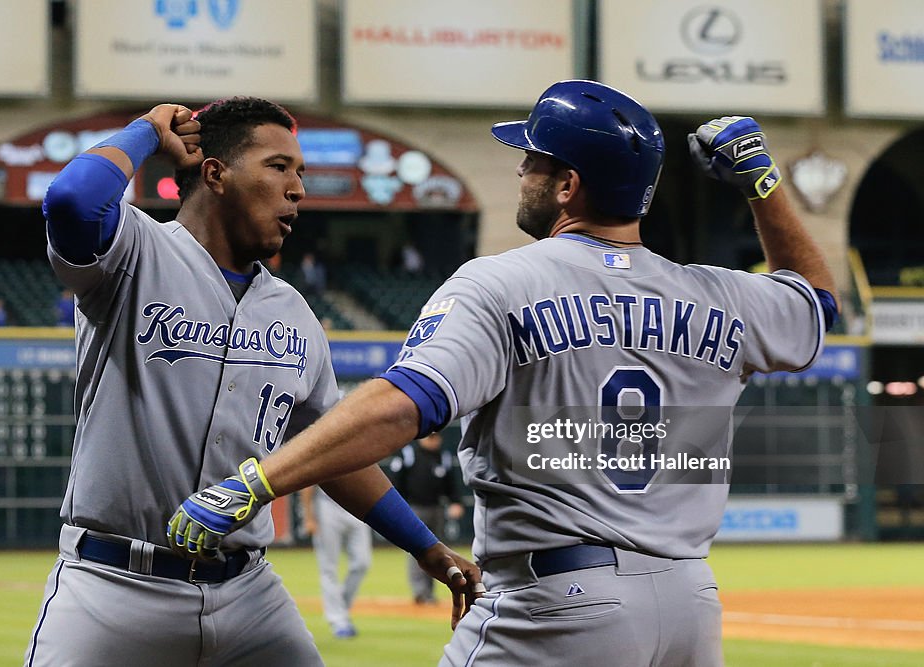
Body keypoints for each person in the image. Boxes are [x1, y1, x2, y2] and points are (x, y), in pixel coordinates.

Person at [167, 80, 840, 667]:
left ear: (568, 185)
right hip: (691, 606)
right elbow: (817, 301)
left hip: (559, 604)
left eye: (533, 161)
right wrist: (761, 181)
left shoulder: (501, 282)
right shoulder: (717, 294)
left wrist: (259, 479)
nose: (521, 170)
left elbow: (405, 403)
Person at [25, 98, 480, 667]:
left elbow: (334, 452)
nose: (298, 189)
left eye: (301, 173)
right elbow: (71, 199)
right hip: (116, 586)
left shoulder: (294, 314)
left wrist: (428, 548)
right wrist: (147, 132)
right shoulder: (135, 252)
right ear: (214, 173)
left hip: (246, 593)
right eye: (278, 166)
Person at [389, 432, 465, 604]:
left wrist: (456, 502)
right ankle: (419, 591)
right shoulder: (409, 454)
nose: (433, 441)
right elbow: (395, 482)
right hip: (414, 509)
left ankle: (429, 592)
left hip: (437, 508)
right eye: (429, 437)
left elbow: (451, 483)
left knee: (436, 551)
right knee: (417, 550)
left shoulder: (443, 456)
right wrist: (400, 508)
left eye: (436, 437)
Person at [299, 485, 372, 638]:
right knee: (328, 567)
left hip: (356, 505)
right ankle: (338, 621)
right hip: (327, 506)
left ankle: (341, 609)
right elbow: (308, 484)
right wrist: (309, 516)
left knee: (362, 562)